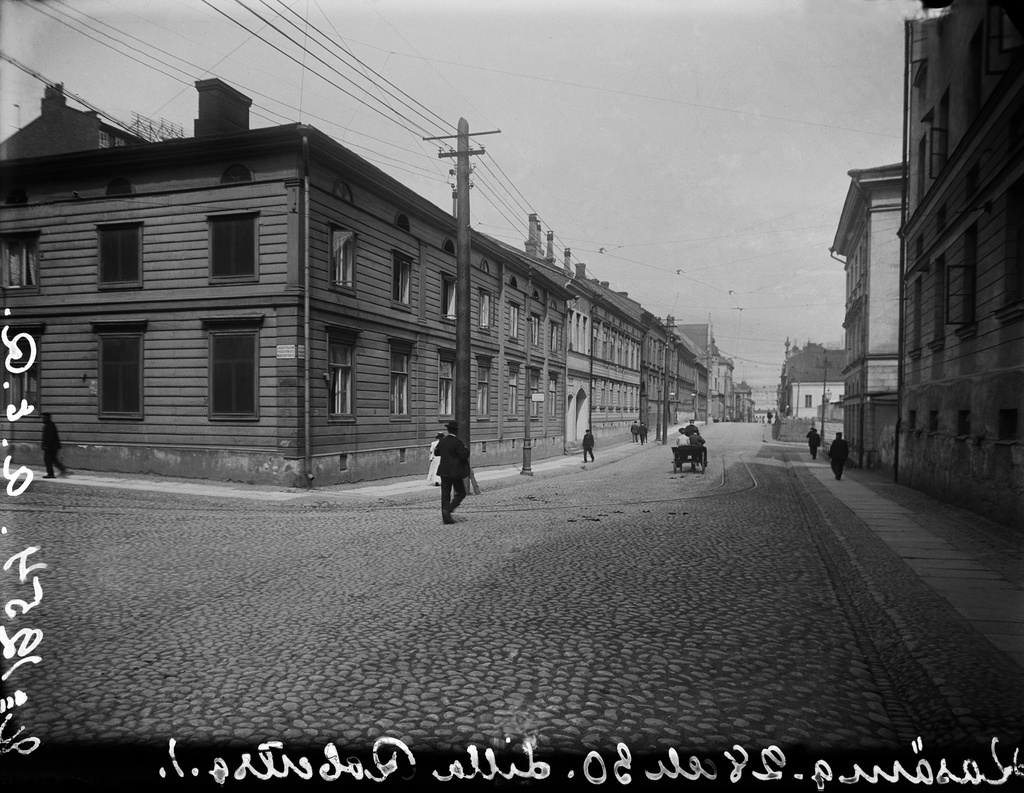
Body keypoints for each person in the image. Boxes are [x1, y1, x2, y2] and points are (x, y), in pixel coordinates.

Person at [435, 421, 470, 524]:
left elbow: (437, 452)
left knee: (445, 494)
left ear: (448, 430)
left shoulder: (443, 441)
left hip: (444, 471)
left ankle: (446, 516)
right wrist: (466, 449)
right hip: (455, 472)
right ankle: (449, 509)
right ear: (456, 431)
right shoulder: (457, 442)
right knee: (461, 493)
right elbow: (463, 455)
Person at [41, 413, 68, 478]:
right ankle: (62, 469)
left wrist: (46, 446)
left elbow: (50, 437)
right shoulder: (49, 425)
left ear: (47, 418)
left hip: (51, 447)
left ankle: (50, 474)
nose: (42, 419)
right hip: (53, 447)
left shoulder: (49, 425)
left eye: (44, 418)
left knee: (47, 460)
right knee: (53, 459)